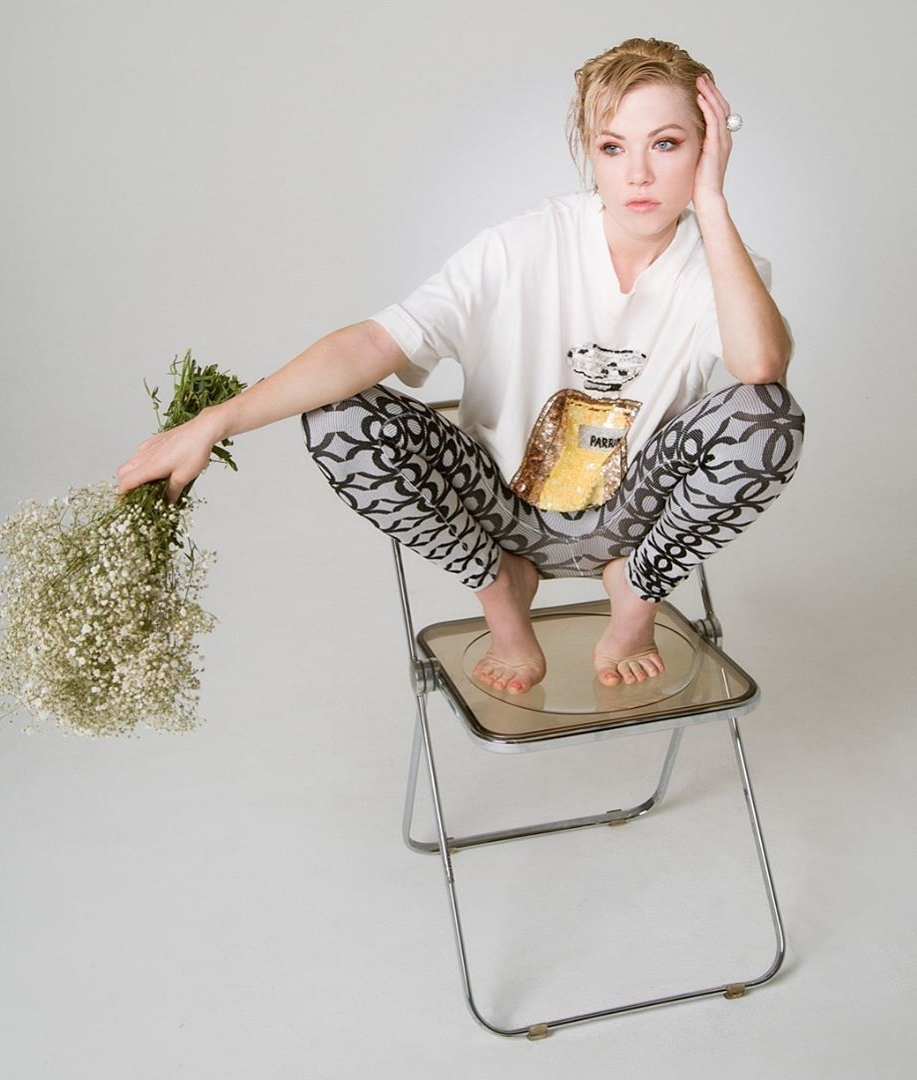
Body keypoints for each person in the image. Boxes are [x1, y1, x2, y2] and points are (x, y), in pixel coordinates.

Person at [116, 37, 804, 697]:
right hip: (499, 510)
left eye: (668, 143)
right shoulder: (522, 245)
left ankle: (635, 597)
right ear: (589, 152)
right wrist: (213, 423)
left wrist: (713, 203)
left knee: (768, 416)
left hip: (635, 517)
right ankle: (502, 593)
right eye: (613, 146)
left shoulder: (721, 265)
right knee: (336, 416)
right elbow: (373, 343)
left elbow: (760, 365)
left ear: (706, 147)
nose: (639, 175)